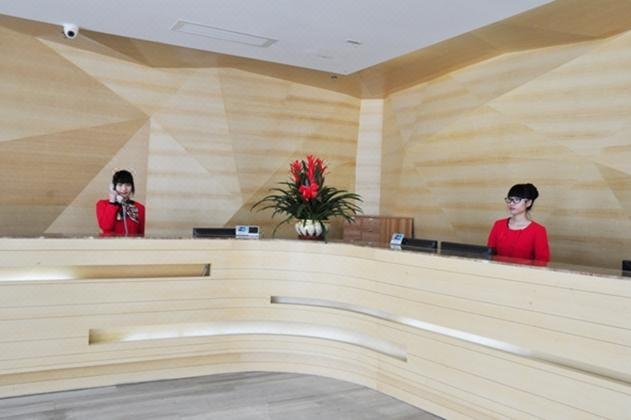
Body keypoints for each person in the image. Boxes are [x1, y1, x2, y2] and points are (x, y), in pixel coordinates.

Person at [487, 183, 549, 264]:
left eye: (517, 199)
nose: (511, 203)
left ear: (528, 203)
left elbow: (542, 262)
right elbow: (489, 254)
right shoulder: (498, 225)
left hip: (525, 272)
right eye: (510, 199)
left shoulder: (538, 231)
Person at [96, 170, 145, 237]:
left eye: (128, 185)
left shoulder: (140, 208)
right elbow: (106, 227)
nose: (124, 189)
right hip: (109, 243)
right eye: (120, 185)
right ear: (113, 187)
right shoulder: (102, 204)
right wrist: (112, 202)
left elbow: (141, 234)